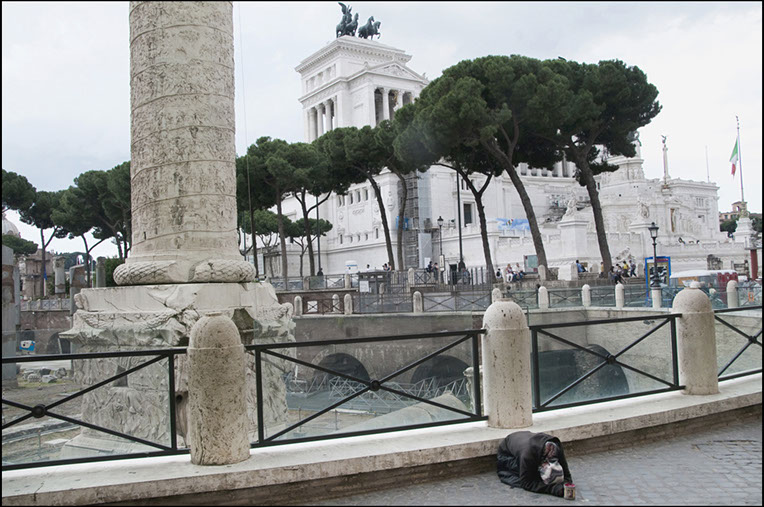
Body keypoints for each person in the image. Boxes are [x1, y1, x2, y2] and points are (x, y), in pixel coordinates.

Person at [497, 430, 573, 498]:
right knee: (531, 475)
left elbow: (567, 474)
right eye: (547, 463)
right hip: (507, 454)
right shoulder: (527, 455)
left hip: (523, 439)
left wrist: (565, 484)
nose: (551, 464)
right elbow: (526, 483)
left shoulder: (556, 445)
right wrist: (553, 489)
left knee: (537, 473)